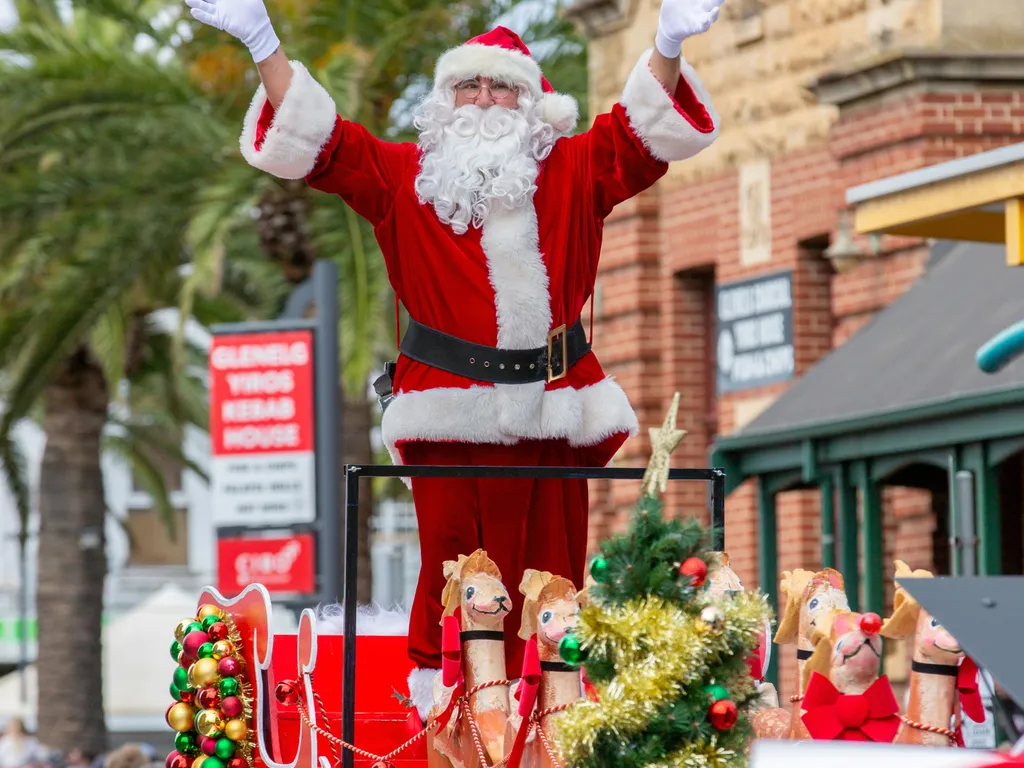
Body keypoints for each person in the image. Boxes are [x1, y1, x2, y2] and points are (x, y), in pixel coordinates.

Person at [186, 0, 724, 719]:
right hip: (448, 419)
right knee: (452, 575)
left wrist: (665, 43)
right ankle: (446, 718)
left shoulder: (573, 169)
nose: (484, 100)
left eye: (502, 87)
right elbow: (318, 142)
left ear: (533, 102)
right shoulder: (401, 175)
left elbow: (640, 132)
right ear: (443, 103)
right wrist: (263, 41)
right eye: (468, 87)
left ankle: (553, 724)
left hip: (553, 414)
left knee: (554, 584)